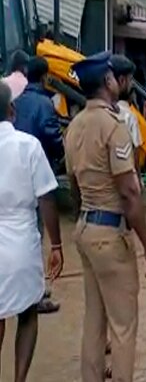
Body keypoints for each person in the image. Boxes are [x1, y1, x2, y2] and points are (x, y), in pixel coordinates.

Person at [64, 51, 146, 382]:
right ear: (107, 81)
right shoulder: (113, 125)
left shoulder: (74, 127)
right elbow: (130, 193)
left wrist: (84, 218)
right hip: (110, 235)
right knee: (123, 326)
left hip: (85, 229)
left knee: (94, 320)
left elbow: (74, 187)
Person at [0, 80, 63, 382]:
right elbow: (47, 197)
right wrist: (57, 245)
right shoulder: (28, 145)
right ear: (11, 111)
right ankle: (19, 379)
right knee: (27, 314)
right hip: (21, 242)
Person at [13, 56, 65, 314]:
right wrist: (61, 151)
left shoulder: (17, 102)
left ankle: (15, 290)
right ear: (45, 77)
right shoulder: (44, 103)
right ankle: (36, 294)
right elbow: (52, 135)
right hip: (38, 175)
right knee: (36, 233)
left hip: (13, 175)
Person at [110, 55, 143, 170]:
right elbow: (135, 153)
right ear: (122, 81)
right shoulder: (128, 116)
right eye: (130, 80)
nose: (131, 84)